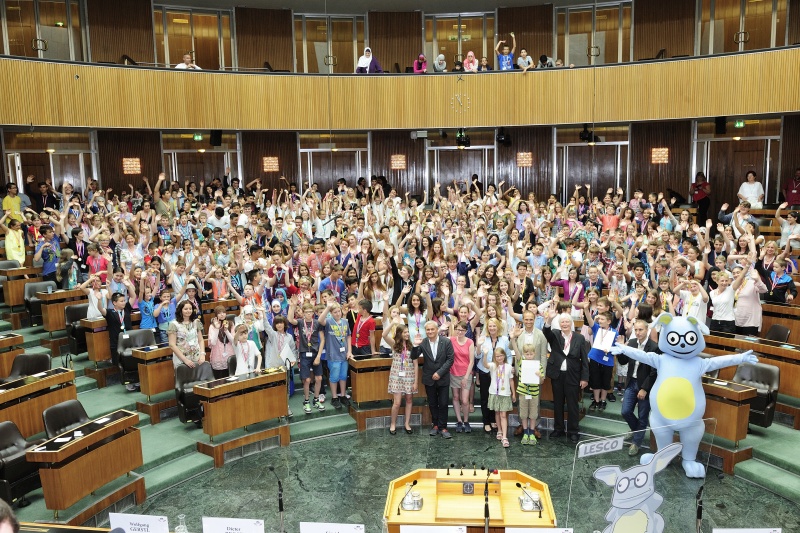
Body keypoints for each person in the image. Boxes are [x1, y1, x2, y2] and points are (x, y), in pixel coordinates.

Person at [543, 308, 589, 443]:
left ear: (571, 323)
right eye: (562, 322)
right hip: (557, 375)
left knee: (572, 405)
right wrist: (550, 319)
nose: (564, 324)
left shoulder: (579, 338)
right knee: (557, 403)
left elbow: (585, 360)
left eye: (567, 322)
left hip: (573, 376)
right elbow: (546, 332)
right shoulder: (555, 334)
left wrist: (584, 378)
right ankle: (558, 429)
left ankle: (573, 431)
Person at [617, 319, 658, 456]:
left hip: (645, 385)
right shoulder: (632, 343)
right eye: (636, 330)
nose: (638, 332)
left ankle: (636, 443)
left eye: (641, 330)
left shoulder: (654, 347)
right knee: (625, 411)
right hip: (631, 382)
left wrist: (645, 389)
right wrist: (622, 348)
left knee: (642, 416)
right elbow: (623, 362)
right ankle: (637, 431)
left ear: (647, 330)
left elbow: (654, 372)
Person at [411, 320, 455, 439]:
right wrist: (415, 345)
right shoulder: (423, 342)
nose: (430, 331)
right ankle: (435, 425)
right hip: (429, 378)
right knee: (432, 403)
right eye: (428, 330)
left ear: (437, 330)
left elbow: (450, 359)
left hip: (443, 377)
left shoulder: (446, 342)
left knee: (444, 403)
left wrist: (440, 372)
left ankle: (443, 427)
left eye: (432, 329)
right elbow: (413, 356)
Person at [287, 298, 325, 413]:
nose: (309, 314)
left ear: (313, 313)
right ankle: (307, 401)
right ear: (303, 313)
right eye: (307, 312)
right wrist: (292, 307)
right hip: (304, 353)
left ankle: (316, 399)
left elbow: (322, 340)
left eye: (311, 312)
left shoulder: (317, 323)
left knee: (319, 378)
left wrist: (318, 356)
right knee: (307, 380)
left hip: (315, 353)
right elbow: (289, 319)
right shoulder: (300, 322)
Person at [318, 301, 354, 408]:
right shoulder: (328, 322)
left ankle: (342, 395)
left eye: (339, 311)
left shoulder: (345, 322)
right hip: (333, 355)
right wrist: (328, 307)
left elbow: (348, 337)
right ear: (331, 313)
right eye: (335, 312)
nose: (338, 314)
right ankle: (334, 397)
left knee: (343, 376)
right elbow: (320, 320)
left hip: (344, 355)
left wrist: (349, 351)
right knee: (334, 377)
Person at [385, 324, 417, 434]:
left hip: (409, 376)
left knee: (409, 400)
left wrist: (415, 381)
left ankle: (407, 423)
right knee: (397, 403)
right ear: (399, 334)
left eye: (408, 332)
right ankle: (393, 423)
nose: (407, 334)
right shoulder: (394, 345)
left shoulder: (412, 347)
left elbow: (416, 365)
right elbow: (384, 335)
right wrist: (392, 323)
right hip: (396, 377)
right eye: (405, 332)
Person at [486, 347, 516, 448]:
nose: (499, 358)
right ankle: (499, 430)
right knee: (497, 412)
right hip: (494, 393)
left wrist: (514, 393)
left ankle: (504, 437)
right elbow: (485, 364)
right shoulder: (493, 366)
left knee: (503, 414)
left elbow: (511, 380)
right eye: (497, 356)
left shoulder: (508, 367)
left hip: (505, 394)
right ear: (494, 357)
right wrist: (485, 354)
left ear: (504, 356)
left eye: (501, 355)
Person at [449, 321, 475, 433]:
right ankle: (459, 421)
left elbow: (472, 361)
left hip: (466, 374)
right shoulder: (451, 340)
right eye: (458, 329)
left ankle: (466, 420)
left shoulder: (470, 342)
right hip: (453, 372)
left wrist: (465, 377)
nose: (459, 332)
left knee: (464, 400)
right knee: (455, 397)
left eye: (462, 330)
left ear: (466, 331)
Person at [168, 299, 205, 369]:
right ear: (180, 310)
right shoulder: (174, 324)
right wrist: (185, 360)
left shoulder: (196, 322)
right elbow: (172, 344)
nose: (188, 311)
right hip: (181, 359)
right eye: (185, 309)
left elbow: (200, 340)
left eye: (190, 309)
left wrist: (202, 354)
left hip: (197, 357)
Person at [208, 306, 235, 378]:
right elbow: (213, 343)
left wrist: (226, 331)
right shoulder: (212, 326)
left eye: (223, 312)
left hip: (229, 355)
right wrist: (217, 329)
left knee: (231, 379)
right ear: (216, 315)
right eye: (219, 313)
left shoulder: (231, 324)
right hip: (217, 356)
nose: (222, 314)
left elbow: (233, 341)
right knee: (219, 380)